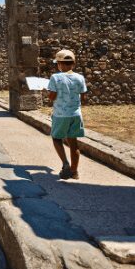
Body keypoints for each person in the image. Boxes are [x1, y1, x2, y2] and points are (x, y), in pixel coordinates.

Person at [47, 49, 87, 180]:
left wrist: (48, 92)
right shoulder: (80, 77)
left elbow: (52, 97)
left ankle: (65, 164)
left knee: (56, 138)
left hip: (60, 115)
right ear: (73, 64)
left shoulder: (55, 77)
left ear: (59, 64)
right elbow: (83, 97)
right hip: (76, 114)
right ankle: (74, 172)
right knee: (73, 143)